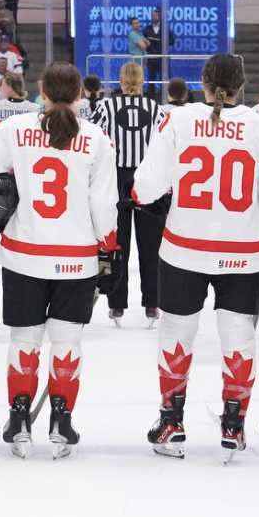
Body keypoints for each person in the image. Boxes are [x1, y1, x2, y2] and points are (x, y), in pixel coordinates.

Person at [132, 53, 259, 460]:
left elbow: (146, 185)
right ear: (243, 84)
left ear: (203, 81)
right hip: (244, 251)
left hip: (185, 247)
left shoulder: (177, 120)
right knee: (239, 335)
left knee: (176, 334)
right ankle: (234, 426)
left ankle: (171, 422)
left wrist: (143, 198)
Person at [0, 62, 118, 459]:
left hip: (24, 256)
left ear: (41, 91)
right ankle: (61, 420)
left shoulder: (14, 130)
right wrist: (109, 248)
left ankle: (19, 420)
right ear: (81, 94)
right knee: (67, 341)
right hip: (77, 260)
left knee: (24, 340)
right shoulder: (97, 138)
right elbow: (104, 204)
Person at [92, 61, 162, 323]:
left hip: (116, 178)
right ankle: (152, 303)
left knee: (117, 242)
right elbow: (165, 144)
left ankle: (117, 303)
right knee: (151, 245)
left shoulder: (106, 106)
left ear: (119, 82)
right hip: (146, 179)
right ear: (143, 82)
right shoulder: (155, 108)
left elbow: (91, 135)